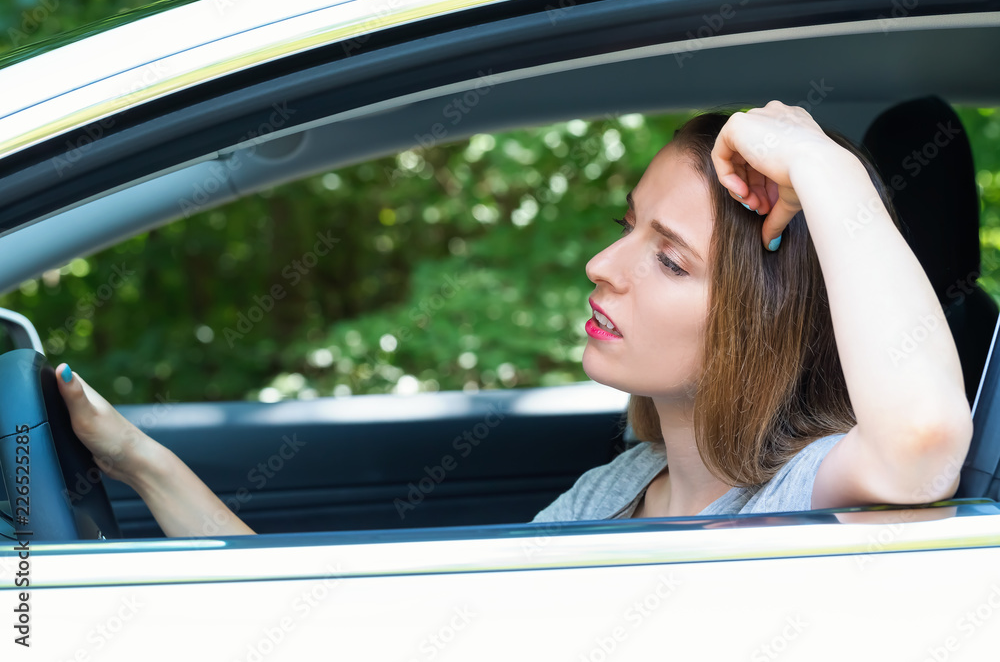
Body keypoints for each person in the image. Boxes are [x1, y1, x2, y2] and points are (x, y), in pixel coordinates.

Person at [54, 101, 973, 535]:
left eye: (667, 257)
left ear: (759, 326)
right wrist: (140, 462)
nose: (599, 268)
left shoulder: (798, 499)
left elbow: (925, 435)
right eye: (625, 229)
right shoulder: (613, 493)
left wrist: (821, 166)